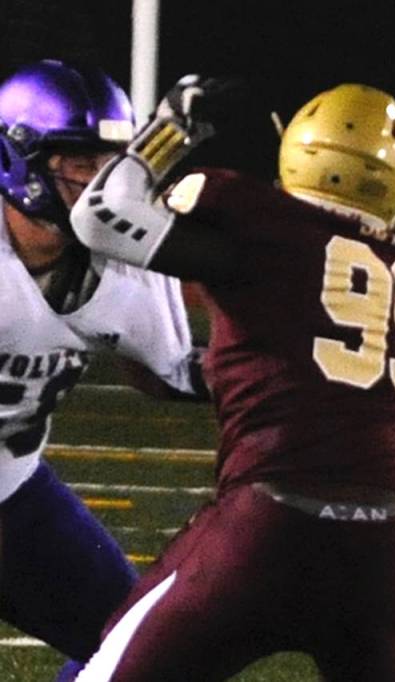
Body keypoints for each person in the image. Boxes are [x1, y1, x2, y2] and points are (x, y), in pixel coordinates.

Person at [68, 77, 395, 681]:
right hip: (385, 556)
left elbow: (101, 217)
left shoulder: (258, 218)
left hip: (265, 532)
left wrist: (171, 127)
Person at [0, 59, 207, 673]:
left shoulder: (123, 257)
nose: (102, 185)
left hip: (13, 495)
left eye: (112, 165)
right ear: (19, 160)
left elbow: (169, 372)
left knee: (141, 653)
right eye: (81, 164)